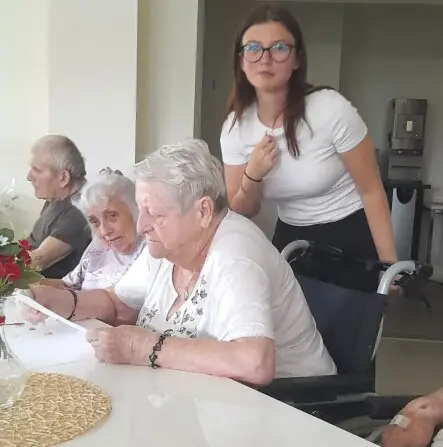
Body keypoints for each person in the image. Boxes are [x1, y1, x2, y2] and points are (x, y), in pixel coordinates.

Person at [24, 138, 336, 386]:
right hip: (206, 399)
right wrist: (57, 301)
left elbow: (254, 363)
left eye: (155, 214)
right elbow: (117, 303)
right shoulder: (167, 248)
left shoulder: (235, 255)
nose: (141, 225)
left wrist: (141, 347)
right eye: (141, 211)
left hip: (293, 406)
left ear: (202, 211)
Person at [220, 4, 397, 292]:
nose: (265, 58)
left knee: (349, 321)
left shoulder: (330, 109)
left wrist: (389, 267)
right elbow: (243, 209)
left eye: (279, 47)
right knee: (286, 318)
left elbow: (371, 190)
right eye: (253, 48)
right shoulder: (235, 127)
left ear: (297, 59)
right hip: (291, 236)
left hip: (349, 233)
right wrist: (253, 174)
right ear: (241, 60)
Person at [41, 168, 146, 290]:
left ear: (136, 211)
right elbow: (67, 285)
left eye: (112, 216)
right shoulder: (98, 247)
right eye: (94, 221)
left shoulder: (151, 253)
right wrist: (27, 283)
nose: (104, 231)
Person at [26, 135, 91, 279]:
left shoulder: (80, 209)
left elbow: (38, 260)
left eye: (37, 170)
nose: (29, 177)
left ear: (63, 177)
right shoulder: (54, 199)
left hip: (54, 290)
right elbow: (28, 245)